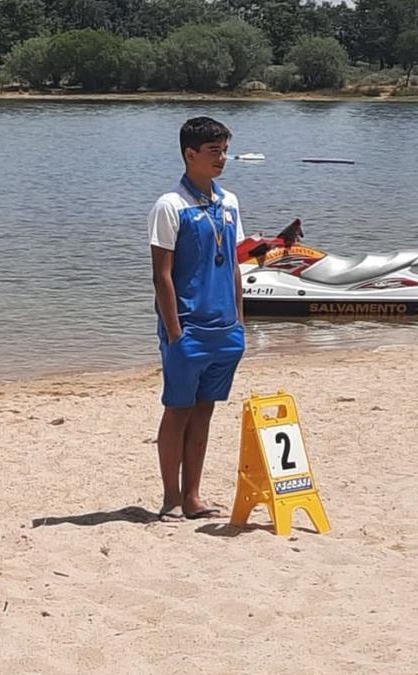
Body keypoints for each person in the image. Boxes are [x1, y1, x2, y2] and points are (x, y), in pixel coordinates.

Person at [148, 116, 246, 522]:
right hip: (188, 328)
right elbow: (162, 274)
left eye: (224, 150)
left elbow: (236, 267)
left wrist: (240, 319)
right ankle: (171, 497)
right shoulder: (170, 205)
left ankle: (194, 496)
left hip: (225, 328)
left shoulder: (230, 202)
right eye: (213, 152)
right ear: (190, 154)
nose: (222, 158)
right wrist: (174, 330)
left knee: (205, 410)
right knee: (179, 409)